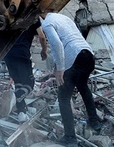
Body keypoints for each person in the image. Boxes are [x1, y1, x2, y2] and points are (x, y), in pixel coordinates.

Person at [42, 13, 102, 146]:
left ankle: (70, 138)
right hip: (88, 55)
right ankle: (94, 122)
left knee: (63, 97)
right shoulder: (63, 18)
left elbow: (57, 44)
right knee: (83, 86)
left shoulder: (47, 23)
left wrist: (60, 69)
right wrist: (58, 65)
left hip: (74, 56)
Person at [4, 21, 48, 121]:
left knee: (19, 84)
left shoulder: (14, 16)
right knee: (29, 83)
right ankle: (14, 98)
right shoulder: (34, 17)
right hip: (22, 53)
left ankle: (21, 113)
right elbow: (41, 36)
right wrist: (44, 50)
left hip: (8, 54)